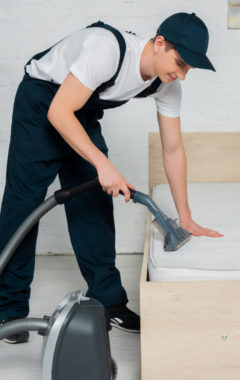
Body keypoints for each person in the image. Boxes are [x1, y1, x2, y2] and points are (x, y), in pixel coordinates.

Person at [0, 12, 223, 344]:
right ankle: (10, 311)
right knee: (24, 205)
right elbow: (58, 111)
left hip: (79, 111)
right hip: (41, 103)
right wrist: (104, 164)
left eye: (189, 68)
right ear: (159, 43)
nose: (182, 75)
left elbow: (173, 150)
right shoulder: (106, 49)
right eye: (180, 62)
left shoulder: (167, 85)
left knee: (93, 203)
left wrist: (185, 217)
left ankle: (109, 302)